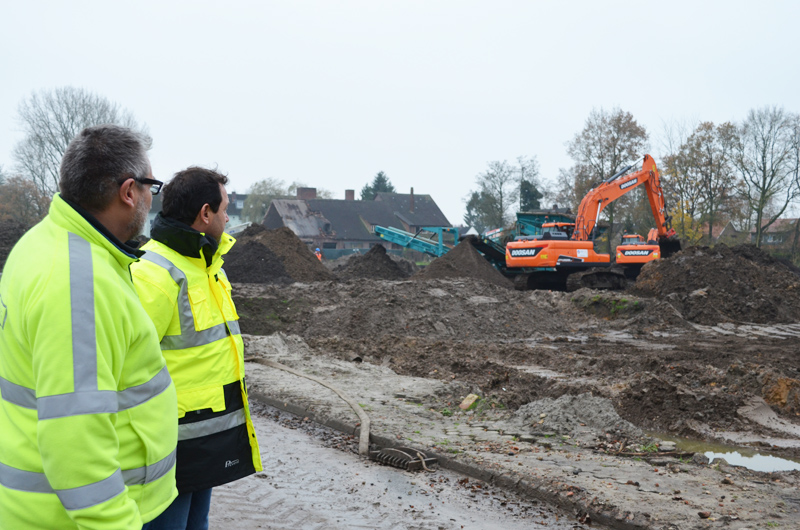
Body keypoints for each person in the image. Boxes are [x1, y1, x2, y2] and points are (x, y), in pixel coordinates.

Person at [0, 124, 179, 529]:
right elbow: (75, 438)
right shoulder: (79, 284)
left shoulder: (43, 242)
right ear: (129, 191)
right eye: (151, 186)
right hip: (85, 516)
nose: (152, 198)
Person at [131, 167, 262, 530]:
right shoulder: (153, 274)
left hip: (204, 439)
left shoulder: (208, 267)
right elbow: (127, 368)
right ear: (205, 213)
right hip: (168, 444)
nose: (227, 218)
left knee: (196, 523)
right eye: (224, 209)